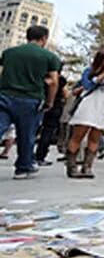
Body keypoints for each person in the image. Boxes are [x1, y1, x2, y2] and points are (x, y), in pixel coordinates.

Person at [0, 26, 61, 179]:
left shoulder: (9, 53)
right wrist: (50, 101)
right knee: (27, 135)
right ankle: (23, 167)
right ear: (44, 38)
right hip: (31, 99)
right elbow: (54, 82)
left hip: (5, 95)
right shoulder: (50, 57)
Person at [64, 50, 104, 178]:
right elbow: (87, 85)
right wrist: (101, 77)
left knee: (95, 137)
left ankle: (87, 166)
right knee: (78, 134)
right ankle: (71, 166)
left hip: (103, 105)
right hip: (88, 104)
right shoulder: (89, 71)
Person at [35, 71, 68, 166]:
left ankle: (27, 155)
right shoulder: (61, 80)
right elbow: (66, 94)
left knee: (31, 131)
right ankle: (40, 156)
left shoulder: (39, 77)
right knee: (48, 131)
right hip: (55, 107)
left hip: (38, 104)